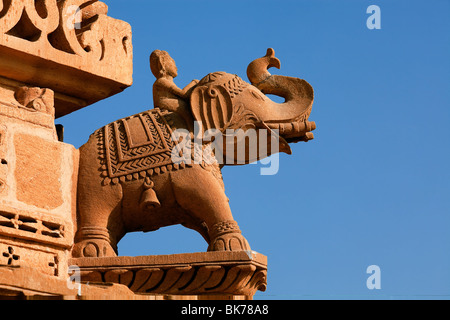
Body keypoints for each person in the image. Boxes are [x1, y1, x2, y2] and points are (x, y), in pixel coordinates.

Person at [150, 50, 198, 124]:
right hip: (169, 107)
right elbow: (183, 93)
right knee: (186, 109)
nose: (176, 67)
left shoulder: (166, 81)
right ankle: (193, 131)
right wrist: (194, 82)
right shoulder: (161, 81)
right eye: (173, 63)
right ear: (163, 63)